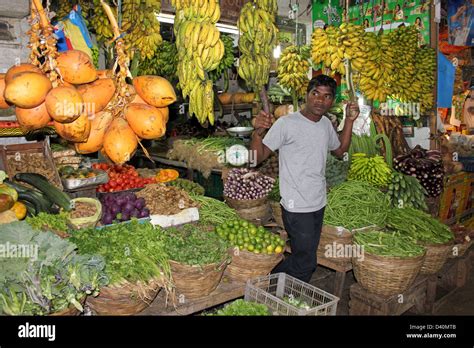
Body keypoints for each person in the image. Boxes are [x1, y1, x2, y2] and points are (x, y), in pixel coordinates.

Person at [250, 75, 360, 283]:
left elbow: (340, 150)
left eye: (327, 96)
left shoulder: (326, 124)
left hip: (318, 202)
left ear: (332, 101)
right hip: (296, 205)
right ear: (307, 95)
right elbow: (256, 159)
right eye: (315, 94)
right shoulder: (286, 124)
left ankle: (273, 285)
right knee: (306, 262)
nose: (320, 100)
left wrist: (350, 121)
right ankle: (272, 286)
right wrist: (257, 134)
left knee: (304, 255)